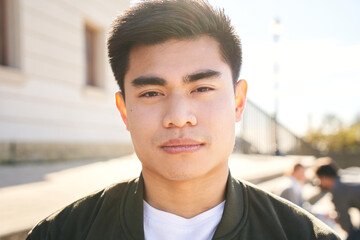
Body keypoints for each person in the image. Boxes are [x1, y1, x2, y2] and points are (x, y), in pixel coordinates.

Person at [27, 0, 340, 239]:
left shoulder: (301, 234)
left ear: (238, 102)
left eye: (202, 88)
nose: (178, 118)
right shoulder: (63, 232)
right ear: (124, 111)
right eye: (151, 93)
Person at [315, 158, 360, 240]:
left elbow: (345, 221)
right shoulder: (343, 179)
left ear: (324, 178)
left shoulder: (337, 189)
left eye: (319, 179)